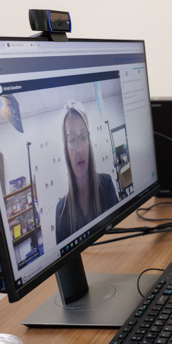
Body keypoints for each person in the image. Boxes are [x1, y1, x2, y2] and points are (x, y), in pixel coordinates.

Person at [55, 102, 119, 243]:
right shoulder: (61, 212)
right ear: (66, 149)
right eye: (72, 139)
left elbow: (120, 235)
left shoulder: (106, 185)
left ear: (89, 141)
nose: (79, 149)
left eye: (83, 137)